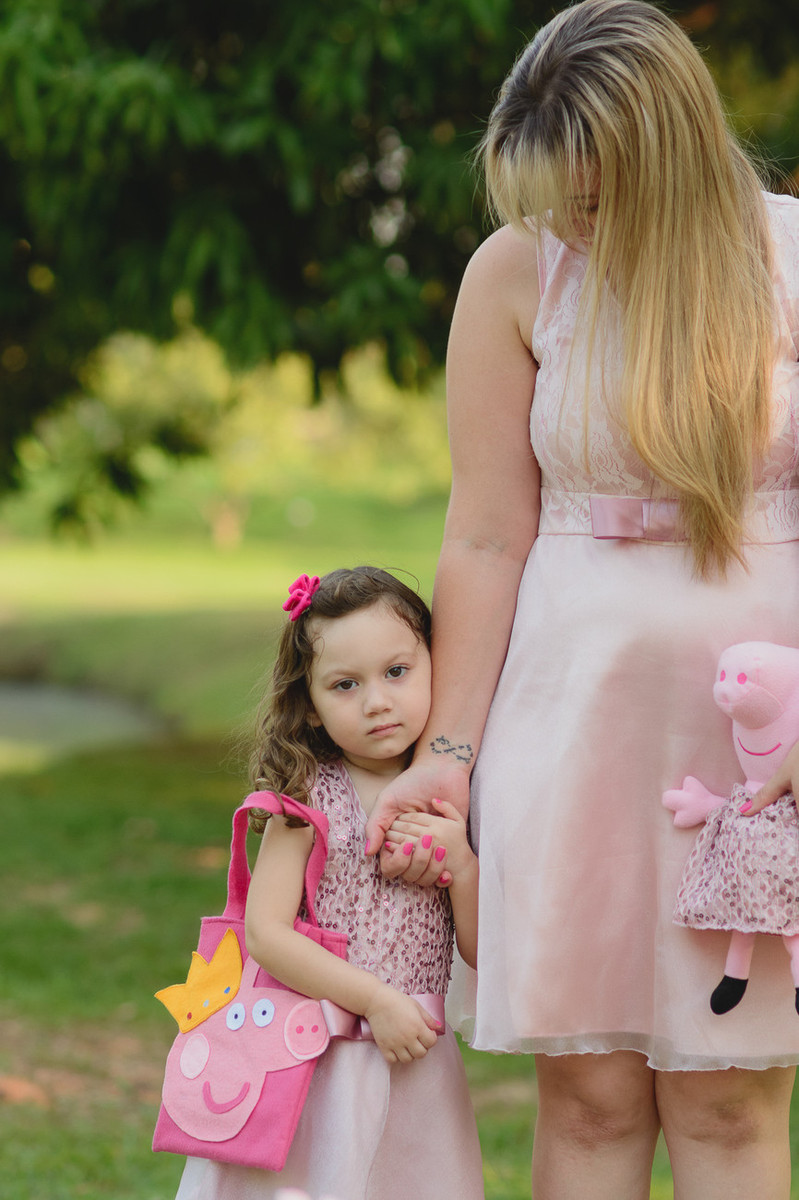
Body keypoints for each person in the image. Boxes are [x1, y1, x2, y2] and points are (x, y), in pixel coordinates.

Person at [363, 1, 799, 1196]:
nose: (572, 217)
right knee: (592, 1097)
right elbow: (488, 534)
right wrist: (448, 748)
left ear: (660, 148)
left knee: (730, 1098)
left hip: (755, 750)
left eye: (591, 189)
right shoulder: (516, 271)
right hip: (571, 722)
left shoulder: (789, 259)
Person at [175, 566, 483, 1200]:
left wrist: (465, 867)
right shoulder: (307, 798)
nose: (377, 701)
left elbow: (482, 954)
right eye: (345, 685)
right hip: (313, 1062)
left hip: (416, 1063)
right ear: (309, 706)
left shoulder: (455, 799)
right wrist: (373, 1001)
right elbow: (265, 932)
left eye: (397, 672)